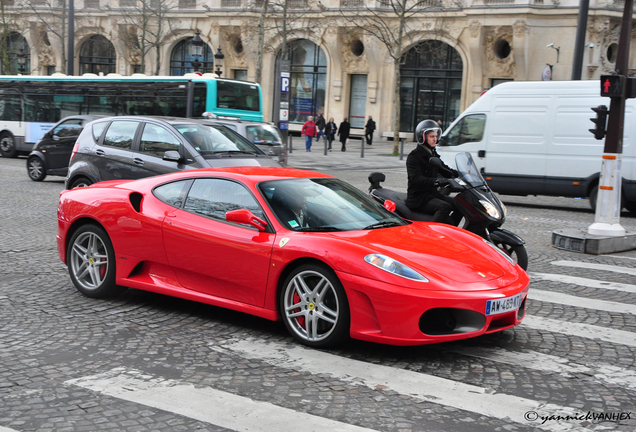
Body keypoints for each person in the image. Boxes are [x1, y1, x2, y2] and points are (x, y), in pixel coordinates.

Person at [405, 119, 461, 226]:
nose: (435, 139)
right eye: (432, 136)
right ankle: (431, 234)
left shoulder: (433, 154)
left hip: (432, 194)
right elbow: (416, 179)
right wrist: (437, 181)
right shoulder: (414, 157)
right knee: (444, 206)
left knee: (461, 204)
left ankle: (452, 228)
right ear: (423, 137)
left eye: (436, 136)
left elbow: (445, 170)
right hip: (419, 198)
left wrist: (463, 175)